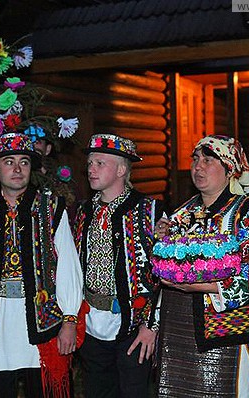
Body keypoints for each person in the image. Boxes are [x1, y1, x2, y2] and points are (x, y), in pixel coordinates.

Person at [0, 132, 84, 398]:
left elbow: (68, 267)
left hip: (41, 321)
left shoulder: (51, 209)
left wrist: (70, 319)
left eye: (24, 162)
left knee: (43, 391)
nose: (17, 169)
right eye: (8, 162)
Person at [154, 135, 249, 397]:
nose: (197, 167)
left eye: (207, 160)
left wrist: (198, 285)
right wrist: (159, 242)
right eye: (195, 160)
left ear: (229, 169)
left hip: (229, 333)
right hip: (178, 330)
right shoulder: (181, 214)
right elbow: (162, 269)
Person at [73, 133, 163, 398]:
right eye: (90, 163)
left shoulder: (150, 211)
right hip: (91, 324)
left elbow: (165, 274)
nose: (91, 169)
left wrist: (151, 326)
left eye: (100, 163)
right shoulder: (82, 211)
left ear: (122, 169)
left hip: (134, 327)